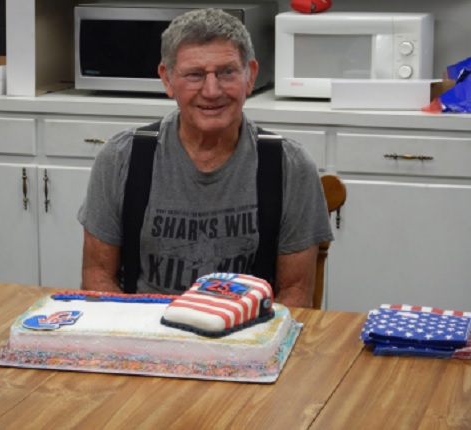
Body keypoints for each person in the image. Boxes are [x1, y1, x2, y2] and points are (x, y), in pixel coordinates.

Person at [78, 8, 333, 308]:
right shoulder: (120, 158)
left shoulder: (290, 165)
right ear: (167, 79)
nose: (212, 91)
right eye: (194, 74)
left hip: (249, 331)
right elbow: (97, 277)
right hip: (144, 328)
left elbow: (295, 294)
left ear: (250, 76)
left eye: (227, 72)